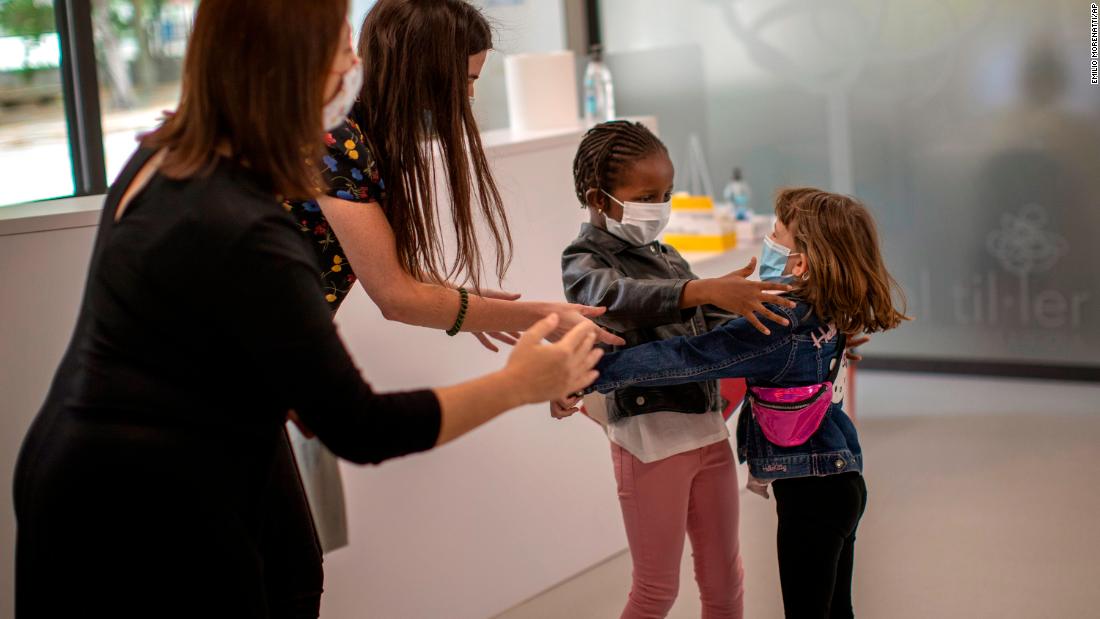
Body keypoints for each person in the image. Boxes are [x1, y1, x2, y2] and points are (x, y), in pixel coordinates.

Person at [11, 1, 601, 617]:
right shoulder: (248, 224)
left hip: (130, 453)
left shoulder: (173, 155)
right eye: (340, 48)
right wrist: (520, 383)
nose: (355, 62)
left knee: (292, 575)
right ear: (287, 63)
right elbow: (363, 424)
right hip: (134, 493)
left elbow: (195, 330)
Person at [567, 188, 909, 618]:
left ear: (800, 263)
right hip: (843, 482)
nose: (768, 242)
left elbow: (687, 357)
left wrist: (588, 372)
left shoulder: (778, 324)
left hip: (811, 498)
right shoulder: (826, 308)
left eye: (776, 234)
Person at [553, 120, 799, 619]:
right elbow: (612, 301)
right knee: (655, 593)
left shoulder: (666, 257)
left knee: (726, 581)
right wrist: (700, 291)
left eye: (666, 193)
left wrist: (784, 314)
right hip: (650, 444)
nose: (659, 206)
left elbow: (707, 321)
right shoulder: (584, 259)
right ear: (599, 198)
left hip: (707, 433)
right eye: (647, 195)